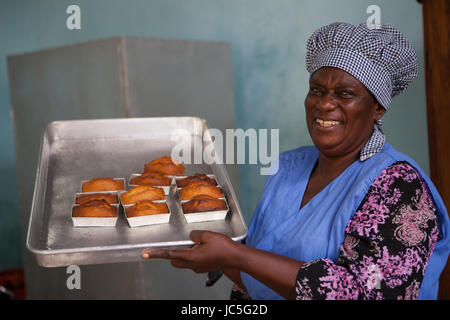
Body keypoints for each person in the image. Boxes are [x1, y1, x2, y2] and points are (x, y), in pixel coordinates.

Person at [142, 22, 450, 300]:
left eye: (345, 93)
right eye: (317, 89)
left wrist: (236, 256)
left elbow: (372, 294)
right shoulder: (289, 167)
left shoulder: (399, 187)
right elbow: (262, 280)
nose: (325, 103)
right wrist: (219, 255)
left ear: (378, 108)